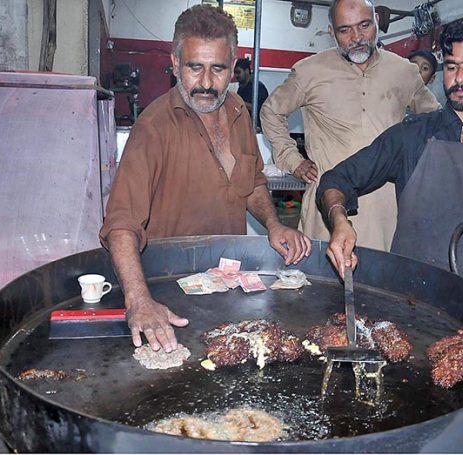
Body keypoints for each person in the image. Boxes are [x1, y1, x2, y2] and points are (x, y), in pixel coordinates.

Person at [317, 15, 463, 340]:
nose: (460, 78)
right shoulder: (411, 136)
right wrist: (339, 219)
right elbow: (336, 180)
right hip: (413, 304)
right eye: (453, 65)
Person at [99, 5, 312, 353]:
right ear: (174, 62)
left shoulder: (241, 113)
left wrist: (274, 224)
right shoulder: (153, 128)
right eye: (194, 67)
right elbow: (121, 222)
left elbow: (253, 183)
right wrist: (139, 300)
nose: (206, 84)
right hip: (169, 295)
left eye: (218, 69)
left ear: (234, 65)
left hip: (229, 290)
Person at [260, 0, 440, 253]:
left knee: (386, 284)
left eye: (364, 25)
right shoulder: (310, 71)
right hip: (328, 205)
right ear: (332, 32)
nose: (357, 37)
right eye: (345, 30)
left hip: (388, 208)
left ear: (377, 22)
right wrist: (292, 159)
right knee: (323, 284)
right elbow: (271, 112)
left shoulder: (403, 71)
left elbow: (434, 121)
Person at [234, 57, 269, 132]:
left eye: (238, 72)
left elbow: (257, 108)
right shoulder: (241, 88)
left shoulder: (258, 87)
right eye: (235, 73)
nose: (236, 75)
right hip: (246, 126)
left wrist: (237, 101)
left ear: (246, 71)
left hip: (259, 128)